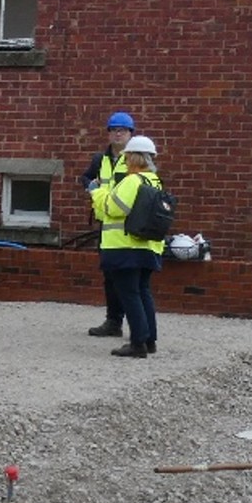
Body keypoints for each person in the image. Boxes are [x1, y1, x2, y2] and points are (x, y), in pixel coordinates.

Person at [90, 135, 165, 358]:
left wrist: (96, 192)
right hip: (149, 247)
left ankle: (137, 344)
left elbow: (114, 208)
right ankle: (149, 341)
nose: (125, 160)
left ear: (133, 157)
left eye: (127, 157)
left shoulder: (132, 181)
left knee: (129, 294)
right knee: (143, 292)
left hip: (124, 247)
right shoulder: (155, 181)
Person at [82, 110, 135, 338]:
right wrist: (91, 186)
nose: (117, 134)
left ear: (130, 134)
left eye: (122, 130)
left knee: (129, 278)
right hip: (106, 227)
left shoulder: (135, 159)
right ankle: (113, 321)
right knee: (110, 276)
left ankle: (136, 327)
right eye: (113, 130)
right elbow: (85, 177)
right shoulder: (100, 160)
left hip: (129, 227)